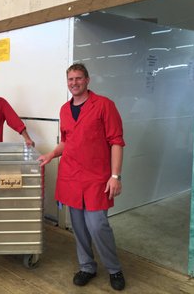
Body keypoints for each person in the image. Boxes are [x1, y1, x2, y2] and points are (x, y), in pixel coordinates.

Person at [38, 63, 126, 291]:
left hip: (97, 177)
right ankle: (87, 266)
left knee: (97, 225)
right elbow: (67, 142)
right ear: (66, 82)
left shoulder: (104, 106)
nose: (74, 83)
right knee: (78, 226)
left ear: (87, 80)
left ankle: (114, 269)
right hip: (71, 176)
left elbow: (116, 141)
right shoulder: (64, 110)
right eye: (70, 79)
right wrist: (51, 154)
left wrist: (115, 175)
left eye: (78, 78)